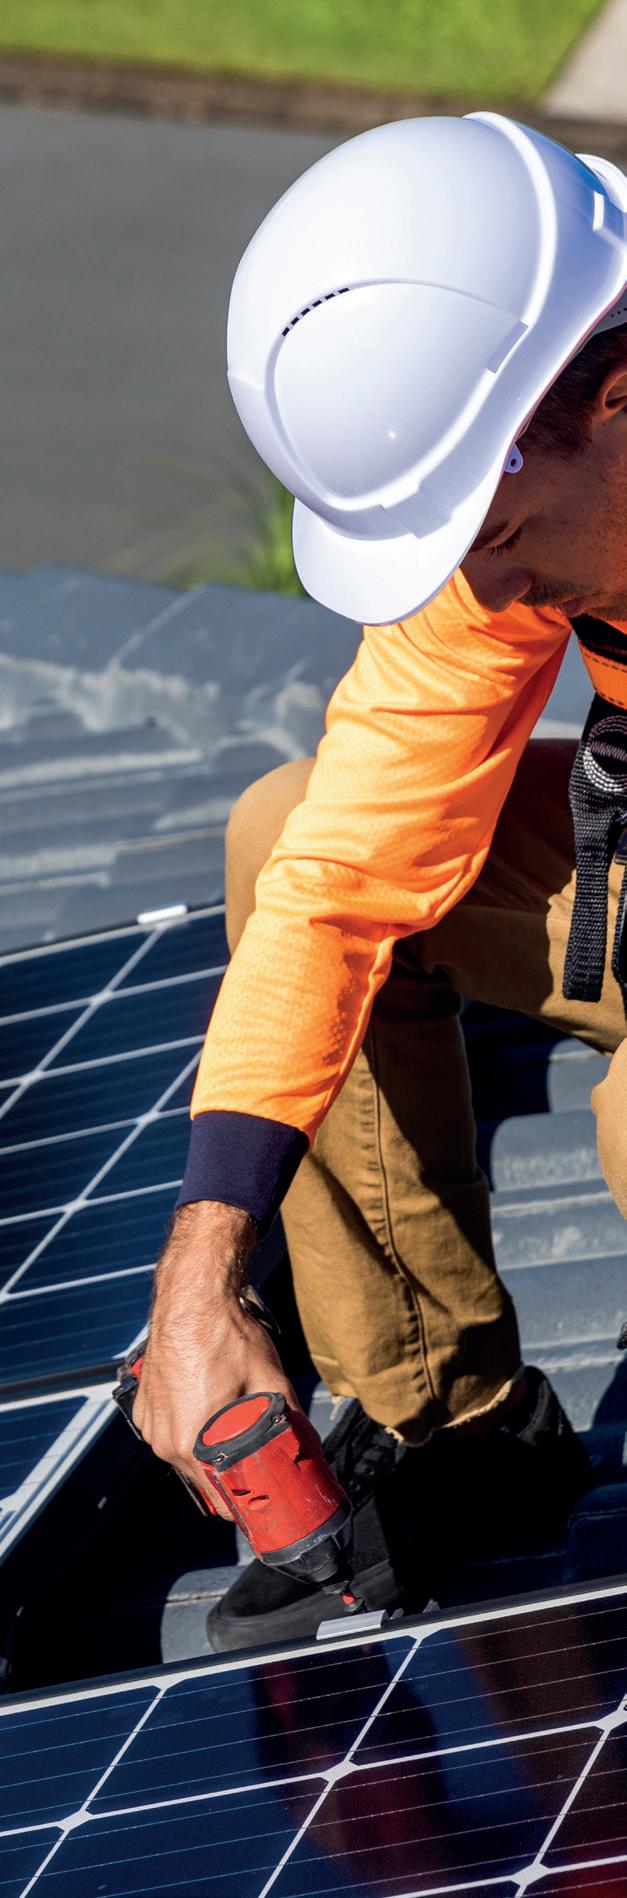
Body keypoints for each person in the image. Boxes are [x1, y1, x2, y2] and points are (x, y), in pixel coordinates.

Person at [133, 112, 627, 1648]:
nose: (489, 587)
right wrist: (201, 1269)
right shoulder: (522, 499)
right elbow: (342, 872)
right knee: (288, 834)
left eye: (502, 532)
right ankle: (462, 1423)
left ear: (616, 397)